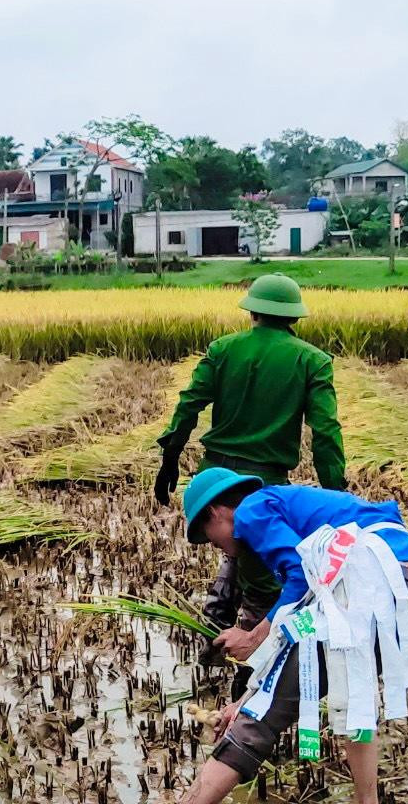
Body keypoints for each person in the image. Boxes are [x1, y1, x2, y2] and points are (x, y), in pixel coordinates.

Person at [178, 468, 408, 804]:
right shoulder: (296, 507)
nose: (223, 550)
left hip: (380, 596)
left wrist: (254, 637)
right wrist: (247, 697)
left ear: (216, 512)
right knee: (352, 700)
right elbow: (303, 624)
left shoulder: (251, 508)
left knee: (257, 722)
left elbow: (300, 580)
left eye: (212, 538)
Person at [156, 273, 347, 637]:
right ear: (294, 317)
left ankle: (215, 629)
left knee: (239, 549)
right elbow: (325, 432)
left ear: (252, 313)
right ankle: (247, 666)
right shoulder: (312, 361)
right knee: (266, 582)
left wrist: (171, 457)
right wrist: (335, 488)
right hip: (259, 485)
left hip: (214, 480)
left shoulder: (223, 350)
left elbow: (189, 404)